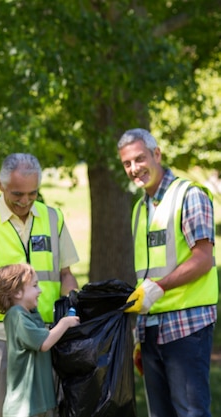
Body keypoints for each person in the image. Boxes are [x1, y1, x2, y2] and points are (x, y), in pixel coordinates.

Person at [0, 153, 80, 417]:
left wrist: (71, 309)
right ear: (1, 186)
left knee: (47, 411)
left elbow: (67, 275)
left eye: (32, 194)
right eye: (17, 194)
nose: (25, 201)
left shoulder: (53, 219)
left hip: (45, 334)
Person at [118, 128, 218, 417]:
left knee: (191, 413)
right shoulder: (141, 209)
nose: (135, 168)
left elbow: (203, 260)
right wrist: (141, 330)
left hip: (188, 327)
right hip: (152, 331)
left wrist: (159, 287)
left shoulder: (189, 196)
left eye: (140, 159)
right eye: (127, 163)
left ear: (157, 154)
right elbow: (147, 273)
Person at [0, 263, 80, 417]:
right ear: (17, 292)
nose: (39, 290)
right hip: (25, 408)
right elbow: (44, 343)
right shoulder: (17, 316)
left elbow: (47, 335)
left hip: (38, 404)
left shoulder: (30, 314)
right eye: (34, 286)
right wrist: (65, 323)